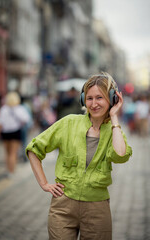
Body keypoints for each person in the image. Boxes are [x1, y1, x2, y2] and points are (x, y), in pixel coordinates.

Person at [26, 72, 132, 240]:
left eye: (100, 98)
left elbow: (120, 155)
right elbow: (34, 149)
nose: (94, 103)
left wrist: (114, 117)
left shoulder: (114, 131)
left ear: (112, 99)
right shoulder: (68, 123)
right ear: (83, 99)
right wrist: (44, 183)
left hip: (97, 209)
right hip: (62, 207)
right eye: (89, 98)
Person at [0, 92, 30, 176]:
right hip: (15, 131)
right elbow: (25, 120)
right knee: (13, 153)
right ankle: (12, 170)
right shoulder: (19, 108)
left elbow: (0, 123)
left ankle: (8, 169)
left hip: (5, 132)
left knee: (7, 152)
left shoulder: (4, 109)